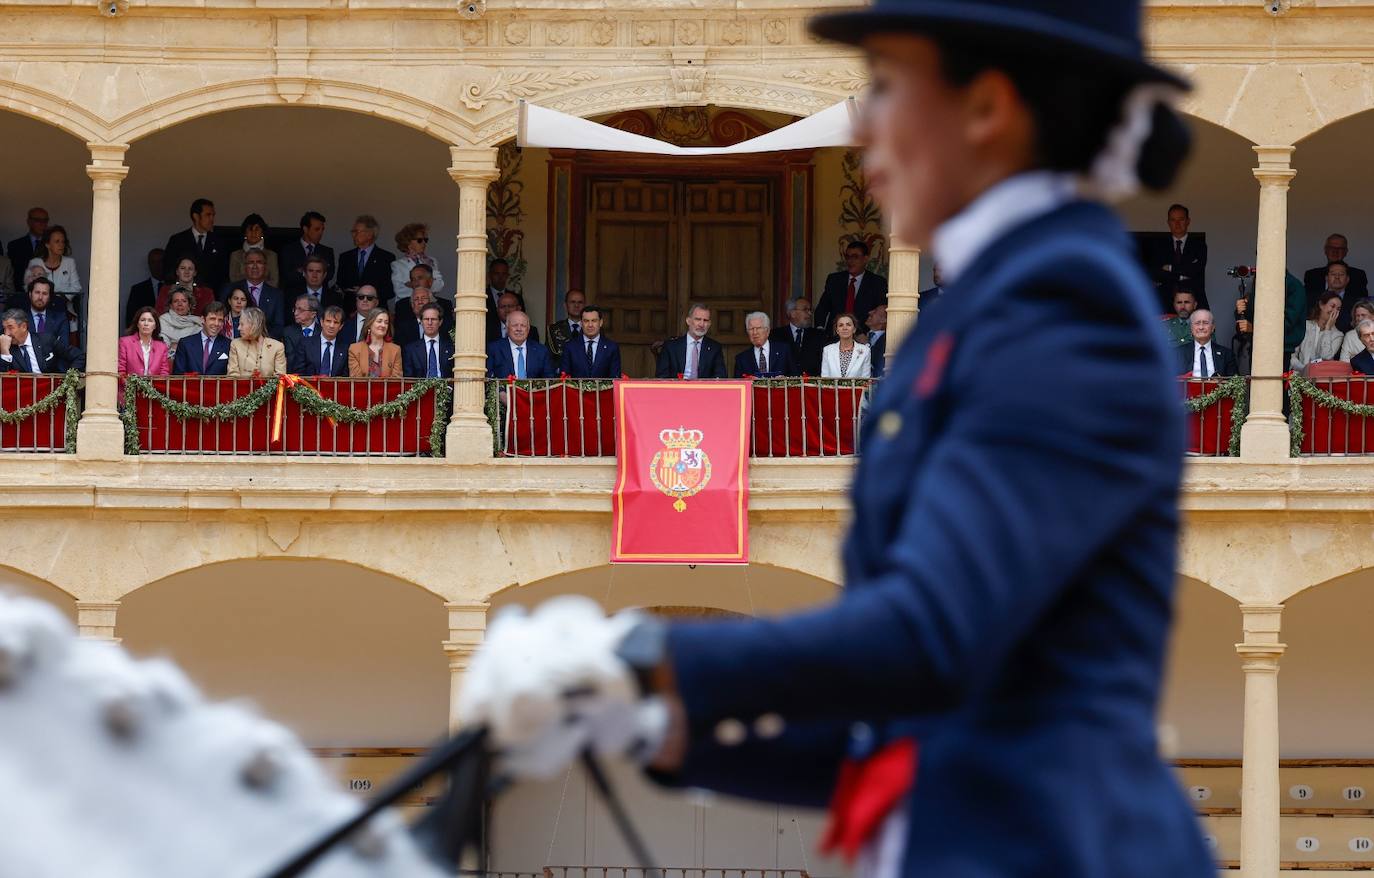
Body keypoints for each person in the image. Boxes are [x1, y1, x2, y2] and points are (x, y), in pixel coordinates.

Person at [459, 3, 1211, 878]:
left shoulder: (1060, 309)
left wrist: (641, 653)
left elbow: (931, 636)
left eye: (887, 87)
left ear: (987, 109)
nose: (864, 127)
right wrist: (653, 729)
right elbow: (894, 736)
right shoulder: (987, 307)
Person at [815, 240, 888, 336]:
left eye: (855, 257)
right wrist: (819, 330)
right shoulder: (834, 280)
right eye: (848, 257)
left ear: (865, 259)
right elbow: (822, 307)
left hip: (862, 337)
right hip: (834, 336)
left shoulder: (877, 282)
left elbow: (881, 312)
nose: (850, 261)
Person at [1145, 203, 1208, 310]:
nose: (1177, 224)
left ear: (1188, 221)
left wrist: (1170, 268)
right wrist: (1183, 275)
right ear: (1168, 222)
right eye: (1173, 220)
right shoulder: (1158, 246)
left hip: (1194, 304)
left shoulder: (1199, 245)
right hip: (1165, 304)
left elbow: (1195, 270)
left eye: (1181, 219)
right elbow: (1156, 273)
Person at [163, 198, 229, 292]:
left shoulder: (219, 241)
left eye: (213, 215)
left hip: (211, 296)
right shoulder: (178, 240)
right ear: (196, 216)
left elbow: (224, 274)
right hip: (183, 296)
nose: (212, 219)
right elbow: (169, 270)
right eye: (208, 215)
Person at [336, 215, 395, 308]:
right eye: (353, 232)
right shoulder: (345, 257)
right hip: (350, 311)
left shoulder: (386, 258)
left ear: (370, 234)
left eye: (356, 231)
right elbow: (340, 283)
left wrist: (365, 292)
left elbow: (389, 290)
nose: (353, 235)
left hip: (376, 312)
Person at [0, 308, 83, 374]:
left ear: (24, 327)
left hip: (50, 392)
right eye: (4, 329)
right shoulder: (5, 346)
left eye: (10, 328)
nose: (6, 333)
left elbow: (78, 356)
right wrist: (5, 353)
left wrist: (70, 378)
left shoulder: (46, 340)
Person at [656, 303, 727, 380]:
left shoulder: (715, 348)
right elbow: (661, 377)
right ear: (688, 321)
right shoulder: (670, 346)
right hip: (676, 390)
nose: (701, 324)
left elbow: (720, 376)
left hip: (703, 390)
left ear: (709, 324)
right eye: (698, 319)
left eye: (705, 320)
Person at [26, 225, 82, 322]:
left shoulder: (69, 262)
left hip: (65, 311)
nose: (61, 245)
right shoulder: (35, 263)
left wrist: (58, 299)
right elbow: (27, 287)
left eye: (63, 242)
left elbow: (77, 287)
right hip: (38, 311)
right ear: (47, 244)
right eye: (57, 242)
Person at [487, 310, 556, 379]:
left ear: (528, 329)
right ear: (507, 328)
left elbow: (549, 379)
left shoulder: (541, 351)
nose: (519, 329)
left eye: (523, 325)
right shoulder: (494, 349)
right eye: (515, 325)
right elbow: (489, 377)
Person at [1304, 234, 1369, 307]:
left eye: (1340, 248)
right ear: (1325, 250)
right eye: (1331, 248)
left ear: (1346, 252)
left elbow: (1363, 305)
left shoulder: (1358, 275)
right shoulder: (1312, 275)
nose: (1335, 251)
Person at [280, 211, 334, 296]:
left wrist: (301, 271)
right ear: (305, 229)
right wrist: (316, 273)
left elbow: (329, 275)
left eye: (322, 229)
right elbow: (287, 276)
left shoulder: (327, 251)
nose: (320, 233)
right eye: (317, 229)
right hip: (295, 297)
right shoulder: (288, 250)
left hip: (319, 298)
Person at [558, 305, 620, 378]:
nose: (590, 325)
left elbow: (615, 378)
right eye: (586, 321)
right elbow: (564, 377)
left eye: (594, 321)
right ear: (581, 323)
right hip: (576, 389)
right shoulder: (570, 347)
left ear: (601, 322)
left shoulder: (612, 347)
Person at [235, 249, 286, 339]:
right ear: (245, 267)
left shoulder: (276, 295)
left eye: (259, 262)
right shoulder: (231, 290)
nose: (255, 266)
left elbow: (279, 326)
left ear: (265, 267)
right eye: (251, 262)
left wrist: (261, 342)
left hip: (266, 345)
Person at [769, 297, 826, 376]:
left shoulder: (819, 335)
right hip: (784, 384)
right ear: (792, 313)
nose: (810, 313)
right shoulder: (775, 335)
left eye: (810, 310)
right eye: (805, 309)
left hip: (812, 384)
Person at [390, 223, 445, 304]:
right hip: (407, 304)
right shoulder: (398, 265)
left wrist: (412, 284)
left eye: (425, 240)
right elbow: (400, 291)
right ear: (408, 243)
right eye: (419, 240)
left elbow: (439, 286)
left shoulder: (432, 261)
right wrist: (426, 284)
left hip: (429, 304)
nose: (424, 243)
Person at [172, 301, 231, 376]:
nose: (216, 324)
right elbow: (177, 376)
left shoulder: (228, 345)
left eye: (220, 320)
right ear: (203, 319)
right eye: (212, 319)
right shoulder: (185, 343)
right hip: (190, 387)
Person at [289, 305, 350, 377]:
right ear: (321, 322)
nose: (331, 326)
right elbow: (298, 374)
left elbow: (345, 377)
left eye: (336, 322)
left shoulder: (345, 348)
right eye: (328, 321)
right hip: (309, 387)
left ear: (341, 326)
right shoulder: (305, 344)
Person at [1291, 291, 1345, 372]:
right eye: (1332, 306)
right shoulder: (1305, 326)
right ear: (1321, 305)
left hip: (1322, 378)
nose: (1334, 311)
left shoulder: (1338, 335)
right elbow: (1292, 355)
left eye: (1338, 309)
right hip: (1299, 374)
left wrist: (1327, 329)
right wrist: (1304, 369)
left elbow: (1326, 357)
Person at [733, 311, 797, 378]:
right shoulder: (742, 358)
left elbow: (795, 377)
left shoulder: (784, 350)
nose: (755, 332)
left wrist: (785, 379)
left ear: (767, 331)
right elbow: (738, 384)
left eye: (758, 328)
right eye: (751, 329)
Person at [402, 303, 457, 379]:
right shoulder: (410, 349)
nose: (430, 323)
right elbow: (408, 378)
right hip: (420, 390)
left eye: (433, 319)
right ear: (421, 321)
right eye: (426, 319)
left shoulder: (451, 347)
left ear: (440, 322)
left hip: (446, 389)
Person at [1175, 309, 1236, 378]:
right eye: (1197, 323)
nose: (1201, 327)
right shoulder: (1178, 353)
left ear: (1213, 327)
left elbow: (1235, 382)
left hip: (1216, 388)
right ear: (1191, 328)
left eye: (1205, 323)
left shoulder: (1227, 354)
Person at [227, 307, 286, 378]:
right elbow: (233, 376)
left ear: (254, 325)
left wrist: (264, 389)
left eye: (242, 324)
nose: (239, 328)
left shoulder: (277, 347)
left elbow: (280, 378)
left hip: (268, 388)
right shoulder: (235, 344)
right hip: (241, 388)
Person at [228, 213, 280, 289]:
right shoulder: (235, 255)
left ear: (262, 232)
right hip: (241, 295)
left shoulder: (272, 255)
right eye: (250, 229)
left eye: (257, 229)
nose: (253, 233)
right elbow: (233, 280)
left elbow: (274, 282)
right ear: (245, 232)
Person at [347, 308, 402, 378]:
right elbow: (356, 380)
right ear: (369, 324)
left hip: (389, 389)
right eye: (379, 321)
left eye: (386, 322)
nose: (383, 325)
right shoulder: (354, 349)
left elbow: (396, 381)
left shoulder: (395, 350)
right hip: (362, 389)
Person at [117, 307, 169, 378]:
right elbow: (121, 370)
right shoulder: (125, 342)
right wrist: (131, 387)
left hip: (154, 388)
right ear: (137, 324)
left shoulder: (162, 347)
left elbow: (164, 373)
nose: (146, 323)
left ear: (155, 326)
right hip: (129, 387)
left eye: (150, 320)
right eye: (142, 320)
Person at [821, 312, 873, 378]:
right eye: (841, 325)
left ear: (854, 329)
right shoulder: (827, 350)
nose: (844, 328)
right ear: (837, 330)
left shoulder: (865, 350)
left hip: (856, 388)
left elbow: (866, 379)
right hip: (832, 388)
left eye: (848, 325)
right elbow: (824, 378)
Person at [158, 289, 204, 360]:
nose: (180, 304)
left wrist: (177, 346)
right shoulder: (162, 320)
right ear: (171, 305)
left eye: (184, 301)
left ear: (189, 306)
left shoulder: (199, 323)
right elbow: (161, 350)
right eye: (176, 301)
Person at [25, 277, 70, 346]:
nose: (40, 297)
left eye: (44, 293)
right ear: (30, 294)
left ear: (49, 297)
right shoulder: (20, 318)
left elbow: (63, 347)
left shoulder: (60, 319)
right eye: (37, 292)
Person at [125, 249, 165, 327]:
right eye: (153, 262)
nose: (157, 266)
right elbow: (131, 320)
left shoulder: (175, 288)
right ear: (149, 264)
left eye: (160, 261)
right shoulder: (137, 290)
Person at [282, 294, 322, 368]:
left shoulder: (322, 332)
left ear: (313, 314)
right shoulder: (288, 332)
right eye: (295, 309)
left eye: (300, 310)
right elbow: (290, 360)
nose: (295, 313)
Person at [547, 288, 585, 359]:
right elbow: (550, 358)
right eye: (572, 302)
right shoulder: (553, 329)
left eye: (580, 302)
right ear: (565, 305)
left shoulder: (593, 328)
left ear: (584, 305)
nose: (576, 305)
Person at [6, 207, 47, 272]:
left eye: (45, 220)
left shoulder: (52, 245)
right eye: (38, 220)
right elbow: (12, 273)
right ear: (29, 222)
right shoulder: (15, 246)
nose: (42, 224)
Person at [1323, 261, 1360, 333]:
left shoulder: (1356, 302)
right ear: (1327, 278)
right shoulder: (1315, 299)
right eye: (1333, 274)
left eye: (1341, 274)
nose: (1337, 277)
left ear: (1347, 279)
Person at [864, 303, 888, 378]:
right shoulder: (856, 336)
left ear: (884, 320)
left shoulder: (889, 340)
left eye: (875, 311)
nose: (870, 312)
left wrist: (866, 345)